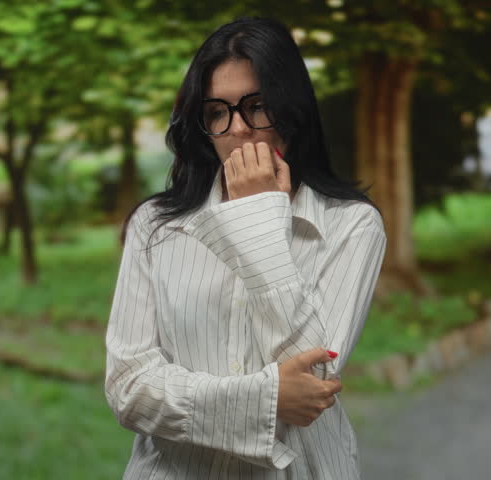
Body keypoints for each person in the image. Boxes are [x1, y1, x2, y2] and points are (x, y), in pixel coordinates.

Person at [104, 16, 387, 479]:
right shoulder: (155, 226)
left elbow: (313, 386)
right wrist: (267, 399)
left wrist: (259, 219)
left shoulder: (351, 225)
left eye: (257, 107)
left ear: (291, 113)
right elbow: (129, 389)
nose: (238, 129)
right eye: (217, 112)